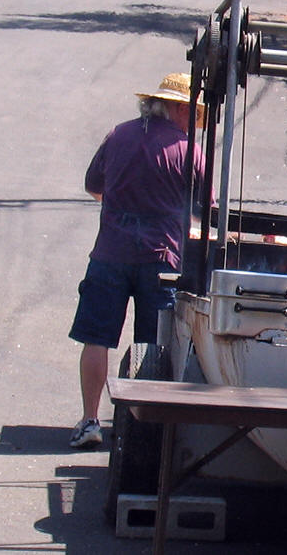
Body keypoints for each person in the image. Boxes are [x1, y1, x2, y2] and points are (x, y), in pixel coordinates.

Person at [68, 73, 207, 449]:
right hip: (161, 260)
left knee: (96, 339)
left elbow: (94, 187)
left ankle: (90, 420)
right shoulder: (188, 150)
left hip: (110, 253)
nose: (194, 120)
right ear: (177, 108)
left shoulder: (118, 135)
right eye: (192, 112)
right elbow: (204, 210)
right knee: (154, 346)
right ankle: (139, 432)